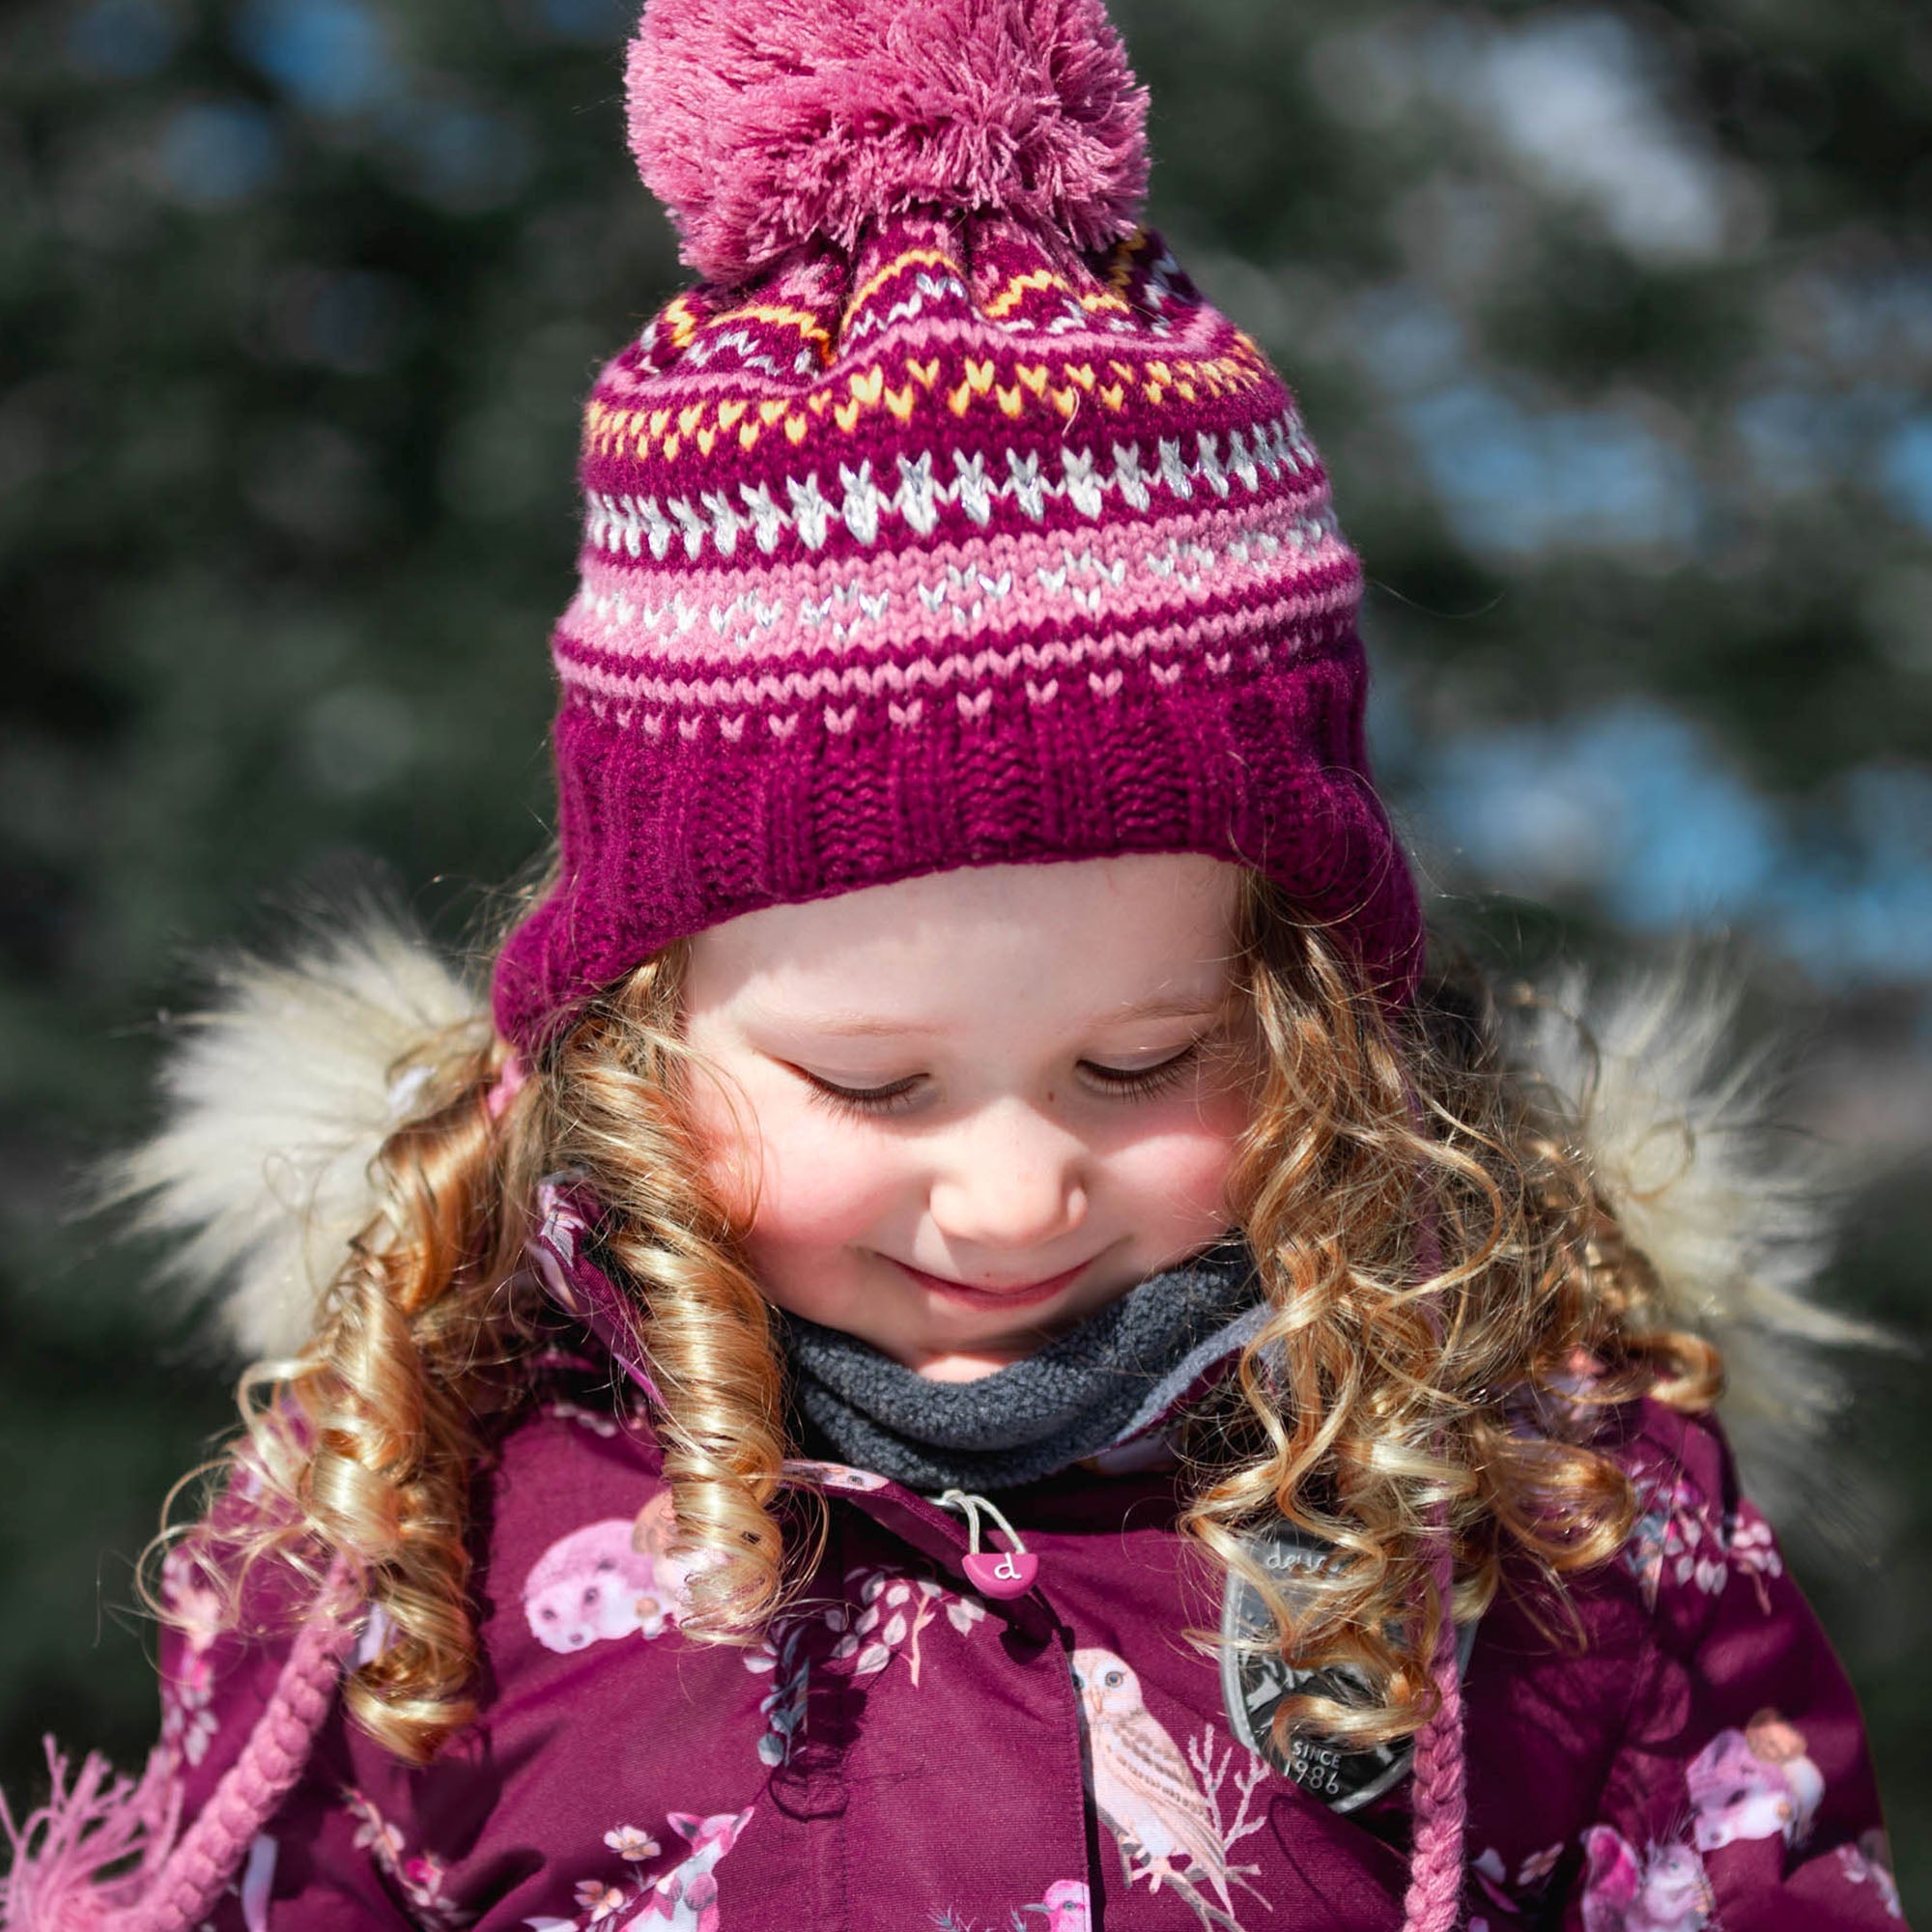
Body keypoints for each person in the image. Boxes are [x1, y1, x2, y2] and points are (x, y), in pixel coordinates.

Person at [0, 1, 1907, 1926]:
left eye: (1142, 1057)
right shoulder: (428, 1523)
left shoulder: (1526, 1489)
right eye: (874, 1084)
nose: (1012, 1193)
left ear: (1317, 1013)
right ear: (639, 1027)